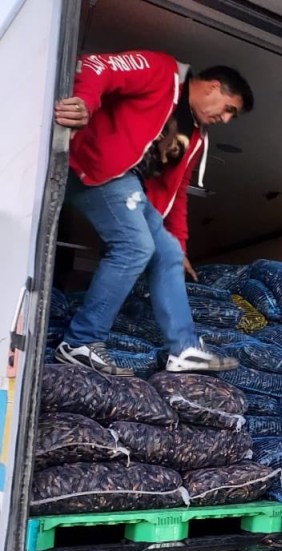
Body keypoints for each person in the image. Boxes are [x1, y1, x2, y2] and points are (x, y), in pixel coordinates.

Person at [53, 50, 253, 375]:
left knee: (168, 253)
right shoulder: (163, 72)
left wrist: (181, 244)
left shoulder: (196, 138)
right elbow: (98, 66)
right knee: (135, 247)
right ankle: (81, 341)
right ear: (214, 86)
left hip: (129, 185)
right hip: (95, 164)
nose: (227, 119)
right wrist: (85, 103)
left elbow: (177, 192)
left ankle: (185, 349)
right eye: (229, 108)